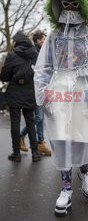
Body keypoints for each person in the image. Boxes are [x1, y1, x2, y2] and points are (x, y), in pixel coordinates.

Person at [34, 0, 88, 217]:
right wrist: (43, 94)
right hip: (59, 88)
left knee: (83, 136)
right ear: (58, 5)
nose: (69, 9)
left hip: (84, 89)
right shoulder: (54, 34)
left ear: (83, 4)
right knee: (62, 138)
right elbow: (44, 66)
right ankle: (66, 188)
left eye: (74, 4)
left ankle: (85, 171)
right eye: (64, 4)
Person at [0, 31, 41, 162]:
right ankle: (35, 153)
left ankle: (16, 153)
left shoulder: (12, 55)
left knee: (15, 124)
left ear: (17, 42)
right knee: (30, 123)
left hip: (15, 93)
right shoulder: (35, 54)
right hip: (30, 92)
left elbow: (4, 77)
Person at [20, 30, 51, 156]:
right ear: (38, 40)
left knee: (40, 117)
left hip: (41, 89)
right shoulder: (34, 53)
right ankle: (21, 136)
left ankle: (40, 143)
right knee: (38, 117)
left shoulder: (43, 53)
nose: (45, 41)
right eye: (43, 39)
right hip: (34, 90)